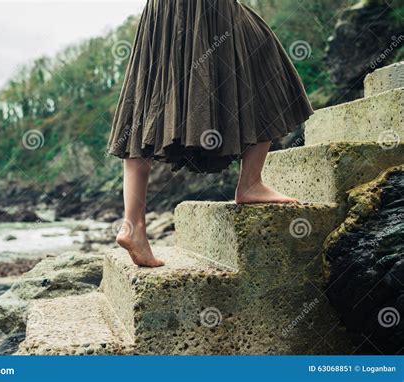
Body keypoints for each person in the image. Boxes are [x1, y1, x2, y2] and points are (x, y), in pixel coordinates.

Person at [106, 0, 314, 267]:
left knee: (148, 95)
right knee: (263, 53)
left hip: (161, 8)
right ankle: (250, 182)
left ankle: (133, 224)